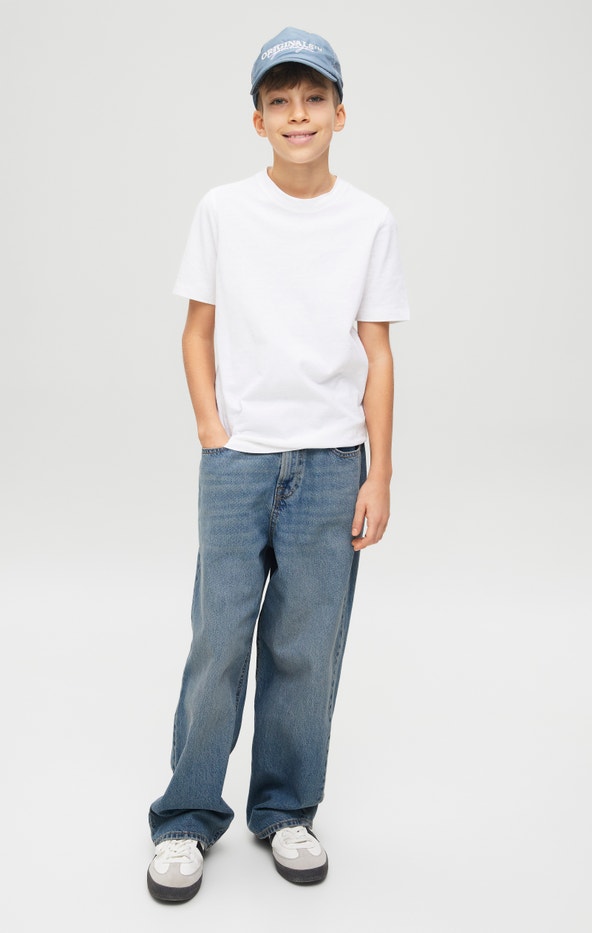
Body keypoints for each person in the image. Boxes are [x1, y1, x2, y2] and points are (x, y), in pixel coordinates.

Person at [147, 25, 410, 902]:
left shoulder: (368, 220)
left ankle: (286, 808)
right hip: (239, 464)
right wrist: (211, 427)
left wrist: (379, 472)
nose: (299, 114)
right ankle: (186, 816)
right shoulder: (224, 210)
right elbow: (198, 330)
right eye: (280, 101)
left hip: (332, 463)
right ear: (258, 120)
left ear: (341, 113)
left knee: (306, 646)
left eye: (314, 98)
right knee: (218, 639)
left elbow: (378, 353)